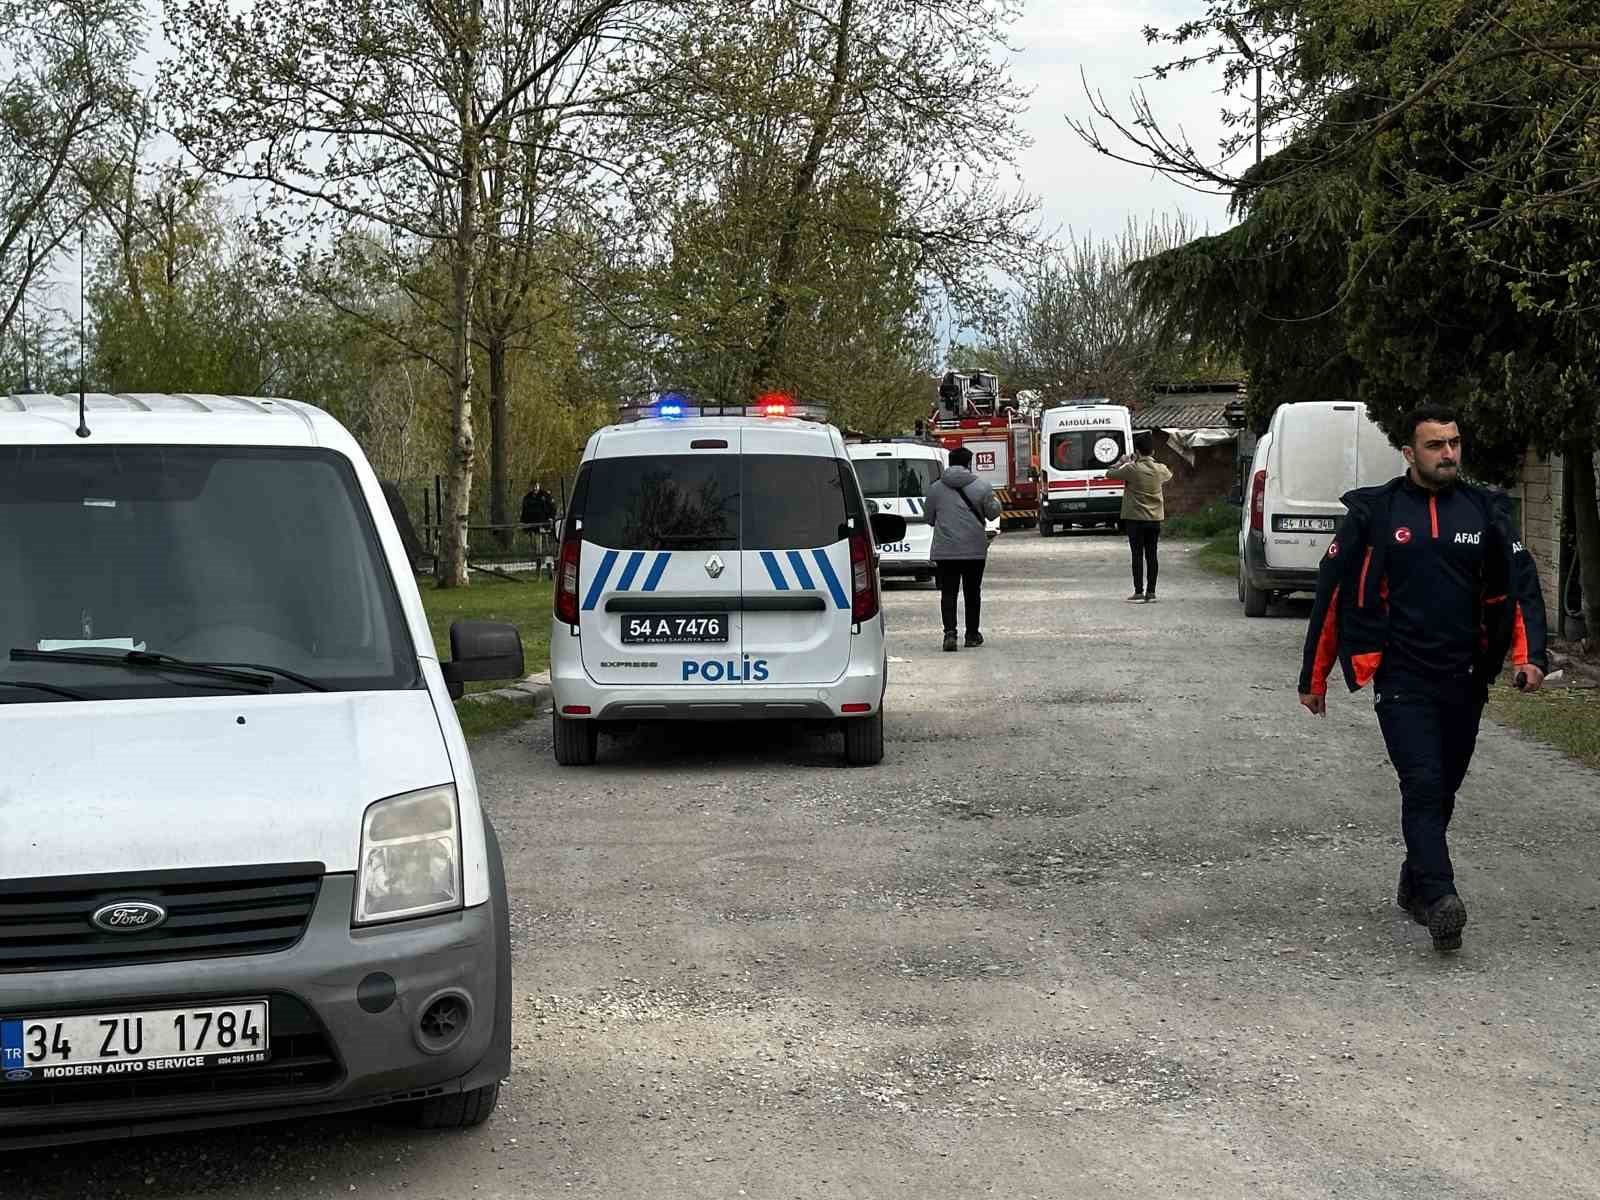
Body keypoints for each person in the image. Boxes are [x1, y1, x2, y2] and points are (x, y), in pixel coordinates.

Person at [1297, 406, 1548, 953]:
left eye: (1454, 443)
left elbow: (1520, 585)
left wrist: (1529, 657)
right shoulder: (1377, 512)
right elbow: (1334, 592)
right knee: (1424, 783)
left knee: (1444, 789)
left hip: (1464, 678)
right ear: (1410, 454)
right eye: (1435, 446)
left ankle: (1414, 883)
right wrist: (1314, 676)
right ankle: (1441, 897)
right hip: (1401, 678)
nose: (1449, 454)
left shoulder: (1485, 512)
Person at [925, 445, 1002, 652]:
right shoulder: (982, 486)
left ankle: (949, 634)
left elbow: (929, 518)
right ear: (969, 463)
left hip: (945, 550)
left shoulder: (935, 488)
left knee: (948, 592)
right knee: (972, 592)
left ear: (949, 463)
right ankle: (972, 635)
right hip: (974, 550)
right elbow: (993, 514)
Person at [1107, 430, 1173, 603]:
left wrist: (1121, 462)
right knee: (1152, 555)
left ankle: (1138, 592)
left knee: (1137, 554)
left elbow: (1109, 474)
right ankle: (1151, 592)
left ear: (1136, 451)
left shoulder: (1131, 469)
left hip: (1135, 519)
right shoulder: (1160, 469)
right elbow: (1169, 475)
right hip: (1154, 519)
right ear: (1153, 451)